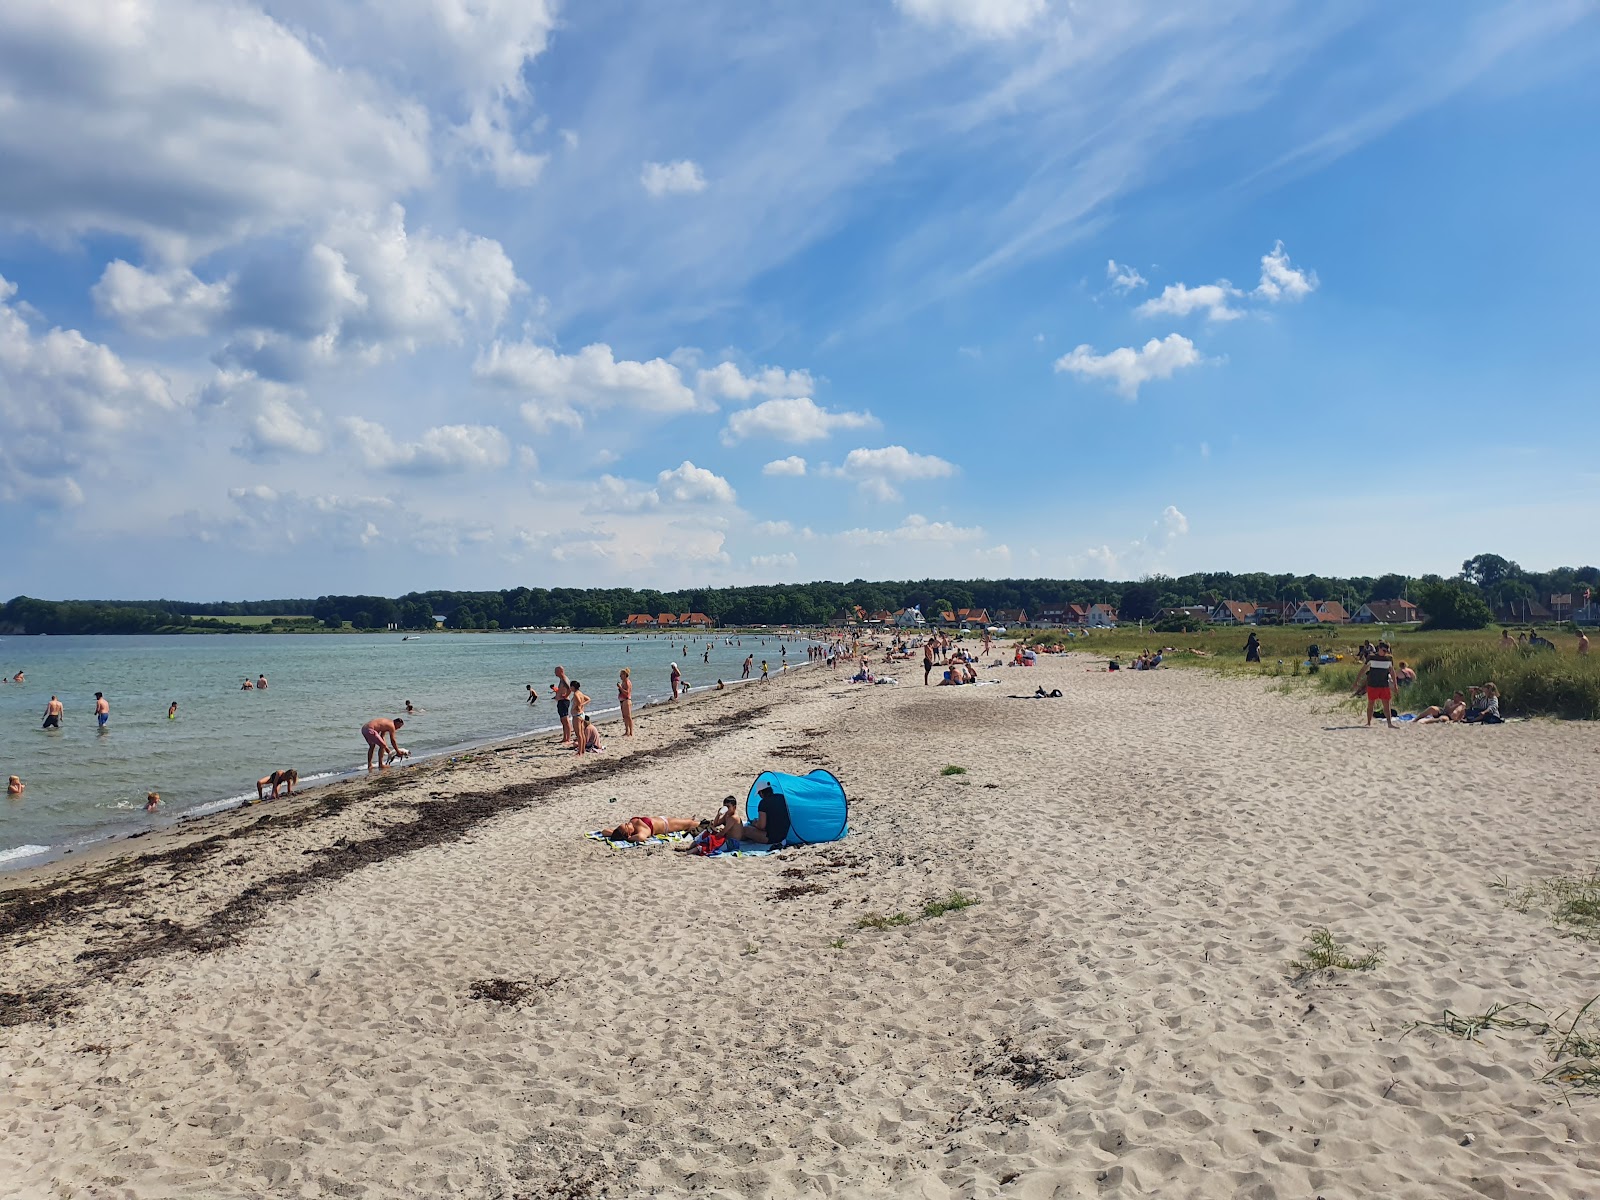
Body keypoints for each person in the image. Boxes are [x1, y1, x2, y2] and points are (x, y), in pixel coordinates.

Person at [1355, 641, 1397, 728]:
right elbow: (1363, 670)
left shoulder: (1389, 659)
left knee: (1386, 704)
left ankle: (1389, 723)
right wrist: (1356, 681)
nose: (1385, 652)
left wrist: (1395, 684)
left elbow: (1392, 672)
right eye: (1384, 650)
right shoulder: (1371, 657)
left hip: (1384, 684)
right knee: (1371, 703)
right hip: (1372, 684)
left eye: (1387, 651)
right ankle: (1368, 722)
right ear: (1379, 649)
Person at [601, 815, 702, 843]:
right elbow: (641, 837)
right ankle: (713, 823)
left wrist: (613, 833)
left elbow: (604, 831)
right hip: (667, 825)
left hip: (662, 819)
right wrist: (629, 839)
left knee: (685, 821)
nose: (628, 823)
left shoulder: (623, 830)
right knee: (690, 824)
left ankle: (688, 819)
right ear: (628, 833)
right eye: (627, 826)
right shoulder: (641, 831)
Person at [569, 680, 591, 756]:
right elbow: (588, 699)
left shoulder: (576, 694)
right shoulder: (580, 693)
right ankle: (582, 750)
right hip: (581, 714)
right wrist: (581, 705)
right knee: (582, 733)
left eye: (570, 686)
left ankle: (580, 752)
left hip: (577, 716)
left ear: (572, 687)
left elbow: (578, 702)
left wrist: (578, 706)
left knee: (579, 734)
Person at [553, 667, 573, 743]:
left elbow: (570, 688)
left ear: (560, 671)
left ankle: (568, 738)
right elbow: (563, 689)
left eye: (556, 671)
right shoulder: (561, 679)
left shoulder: (564, 679)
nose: (555, 672)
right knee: (563, 720)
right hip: (561, 701)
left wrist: (565, 695)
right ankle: (565, 737)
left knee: (566, 720)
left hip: (564, 701)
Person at [618, 668, 634, 736]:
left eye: (621, 675)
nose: (620, 676)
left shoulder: (627, 682)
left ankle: (631, 732)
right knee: (624, 717)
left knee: (628, 716)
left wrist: (620, 688)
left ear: (625, 675)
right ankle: (627, 730)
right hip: (622, 700)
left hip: (626, 700)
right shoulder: (623, 682)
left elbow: (627, 693)